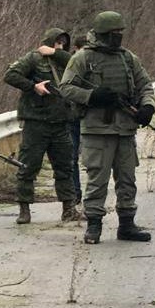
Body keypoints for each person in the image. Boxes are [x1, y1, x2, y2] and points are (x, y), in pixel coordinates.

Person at [59, 11, 155, 245]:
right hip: (96, 130)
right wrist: (93, 96)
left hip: (125, 129)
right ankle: (94, 225)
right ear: (103, 34)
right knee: (97, 180)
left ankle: (126, 224)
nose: (118, 37)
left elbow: (145, 85)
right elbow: (65, 88)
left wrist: (147, 107)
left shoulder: (128, 58)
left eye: (120, 33)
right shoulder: (83, 58)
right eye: (114, 34)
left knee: (127, 179)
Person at [4, 27, 81, 224]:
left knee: (65, 166)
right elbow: (11, 75)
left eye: (63, 42)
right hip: (36, 122)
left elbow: (80, 67)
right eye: (57, 41)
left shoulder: (67, 62)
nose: (60, 45)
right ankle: (24, 208)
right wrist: (33, 87)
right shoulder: (34, 59)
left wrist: (57, 53)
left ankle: (69, 208)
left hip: (61, 123)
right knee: (28, 166)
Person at [68, 32, 89, 203]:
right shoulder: (70, 62)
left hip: (90, 116)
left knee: (92, 157)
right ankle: (76, 193)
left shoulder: (93, 63)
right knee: (72, 156)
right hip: (72, 116)